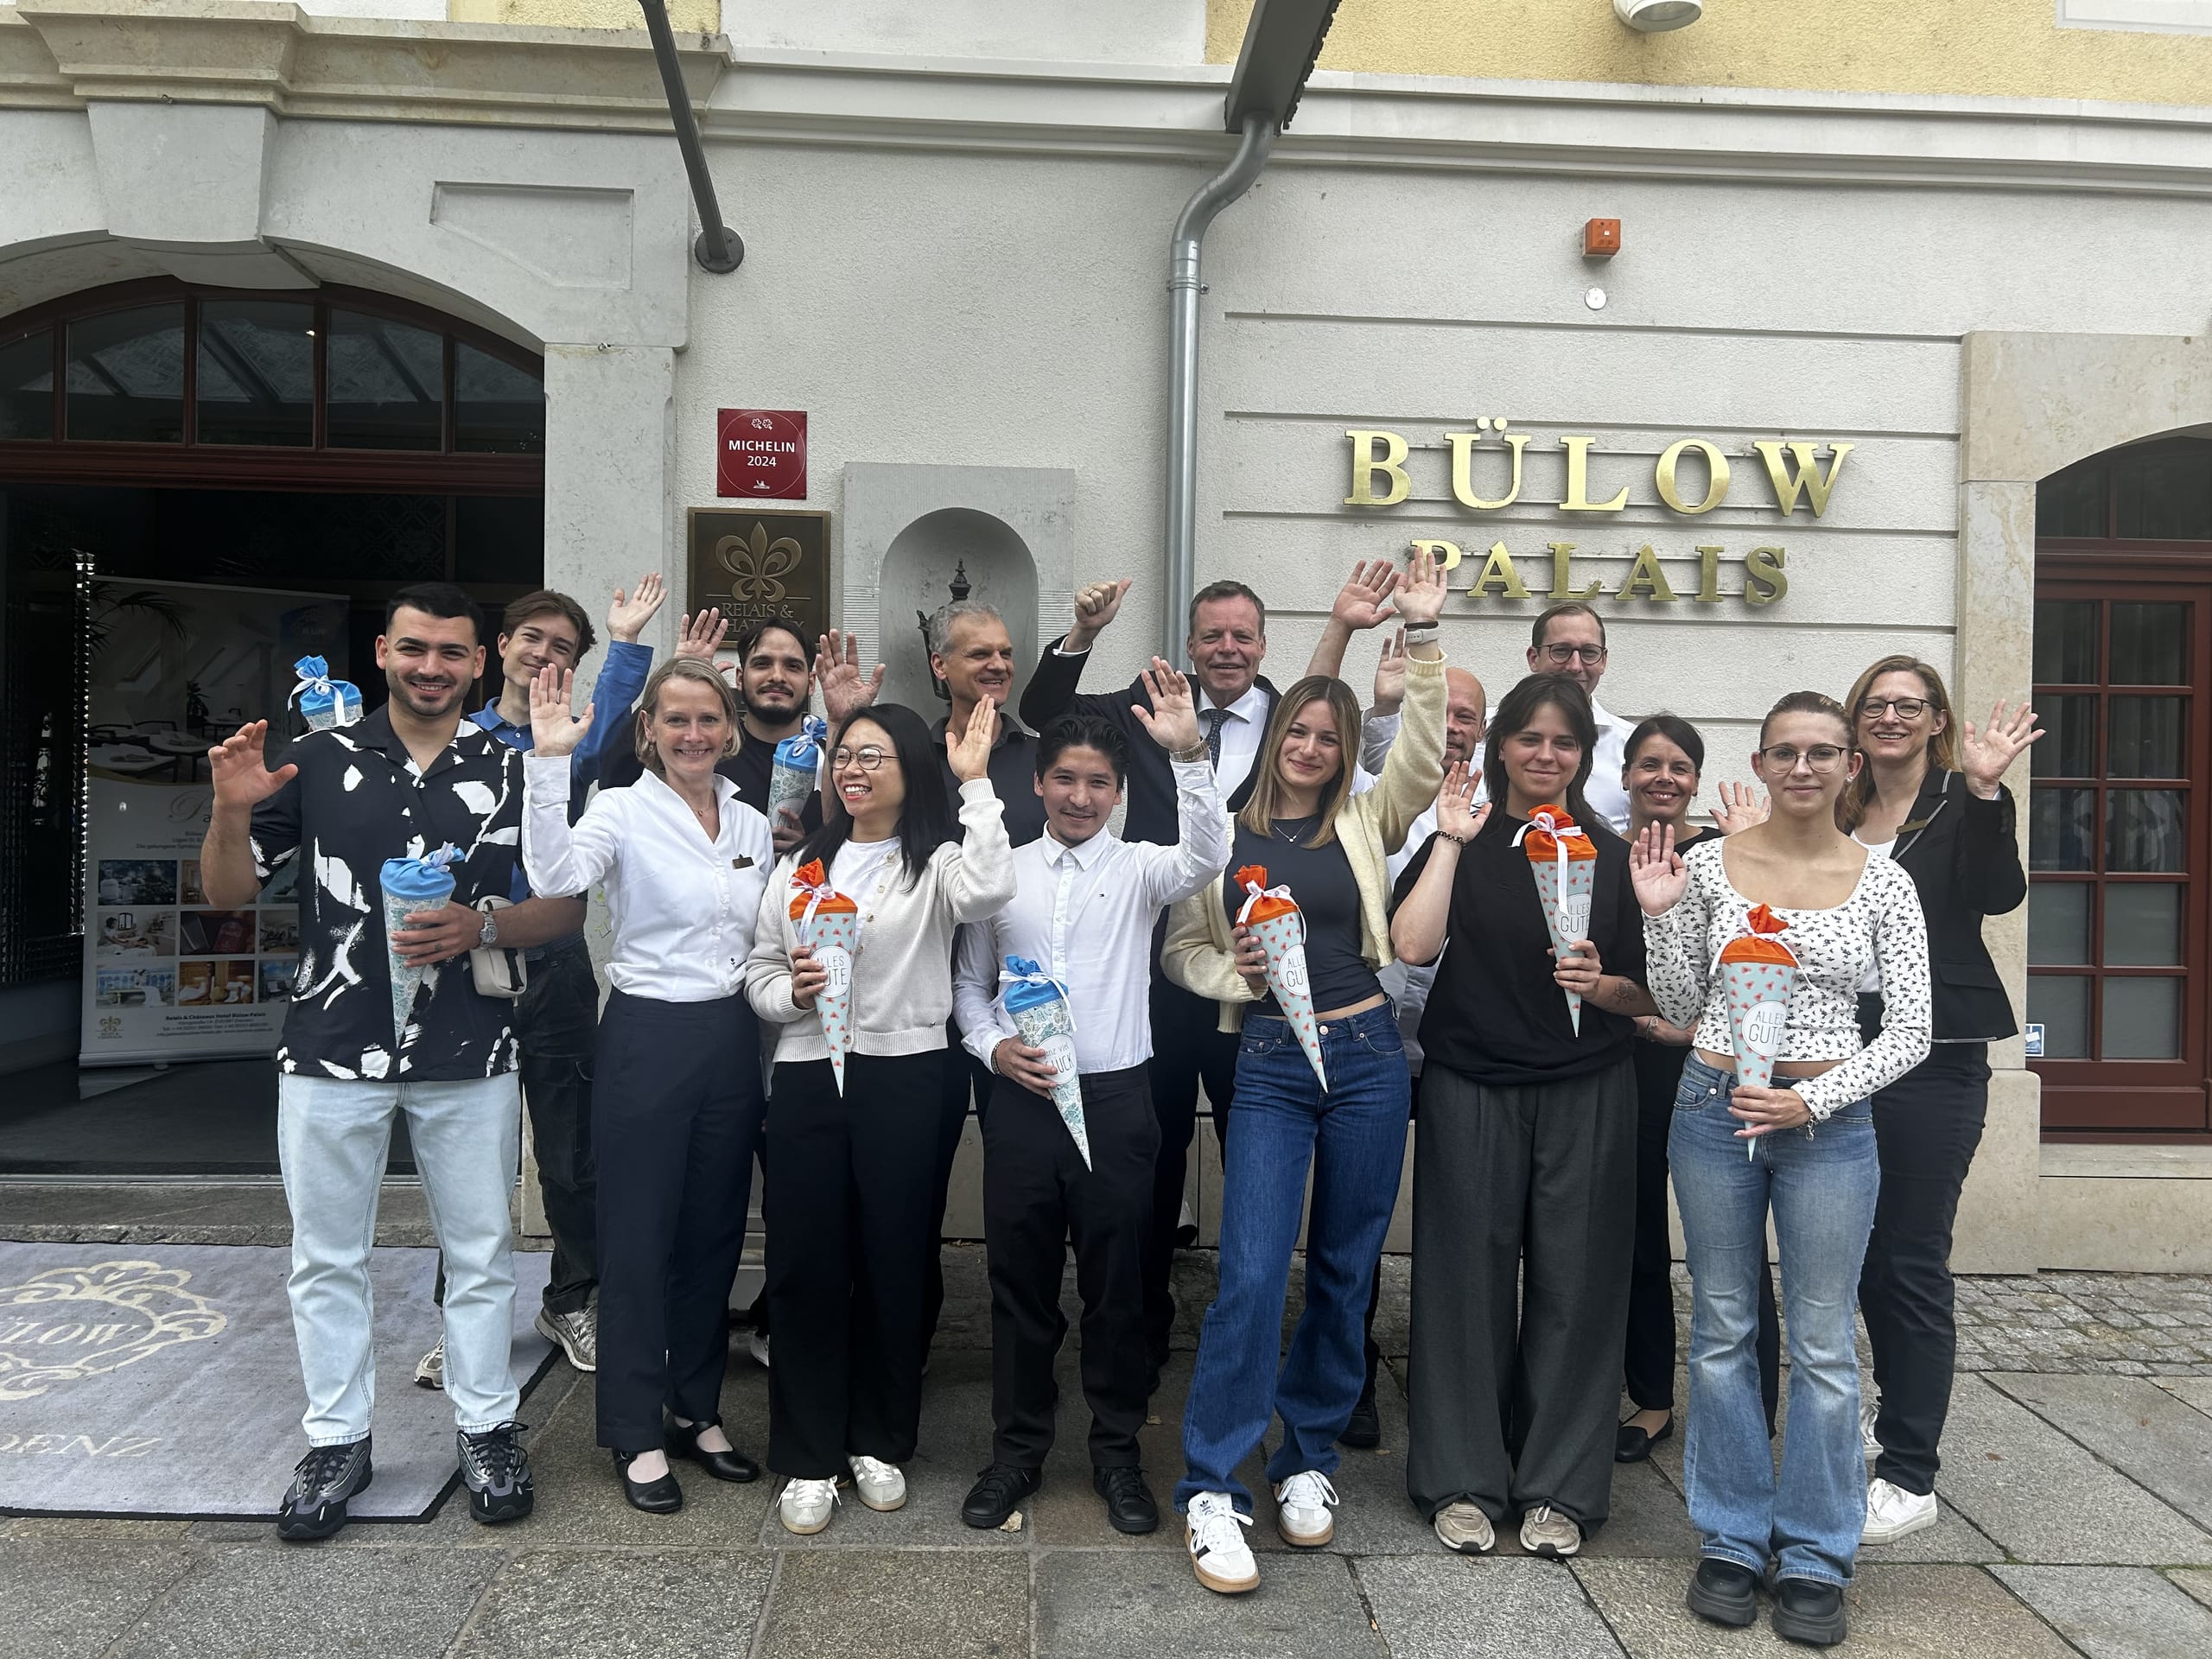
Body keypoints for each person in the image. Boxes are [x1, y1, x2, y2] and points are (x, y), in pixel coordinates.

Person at [200, 582, 586, 1541]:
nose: (430, 668)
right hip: (330, 1046)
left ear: (479, 661)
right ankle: (338, 1439)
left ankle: (488, 1426)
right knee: (327, 1257)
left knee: (483, 1252)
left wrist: (481, 922)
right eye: (414, 648)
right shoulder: (318, 758)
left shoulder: (513, 765)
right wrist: (230, 812)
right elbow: (227, 897)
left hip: (472, 1047)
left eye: (450, 653)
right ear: (381, 651)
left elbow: (566, 906)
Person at [1019, 562, 1404, 1392]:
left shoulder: (1289, 723)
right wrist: (1082, 634)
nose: (1226, 649)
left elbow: (1325, 714)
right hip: (1159, 974)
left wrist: (1340, 628)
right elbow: (1044, 717)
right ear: (1189, 646)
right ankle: (1146, 1338)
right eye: (1211, 636)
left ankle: (1343, 1363)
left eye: (1242, 636)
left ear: (1263, 646)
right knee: (1150, 1165)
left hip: (1270, 995)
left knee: (1272, 1176)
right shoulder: (1149, 707)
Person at [1161, 549, 1448, 1597]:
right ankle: (1211, 1481)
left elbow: (1418, 752)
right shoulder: (1226, 839)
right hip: (1272, 1062)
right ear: (1277, 737)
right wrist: (1221, 968)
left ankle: (1309, 1458)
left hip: (1370, 1057)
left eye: (1331, 740)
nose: (1314, 749)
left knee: (1346, 1266)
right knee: (1247, 1272)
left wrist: (1421, 637)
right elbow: (1179, 950)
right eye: (1302, 733)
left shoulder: (1368, 822)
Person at [1633, 690, 1931, 1648]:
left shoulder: (1882, 882)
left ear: (1851, 765)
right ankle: (1729, 1536)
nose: (1802, 768)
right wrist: (1659, 915)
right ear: (1758, 766)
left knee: (1823, 1344)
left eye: (1821, 752)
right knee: (1722, 1327)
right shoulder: (1711, 863)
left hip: (1826, 1128)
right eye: (1783, 753)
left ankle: (1812, 1551)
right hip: (1713, 1108)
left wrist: (1815, 1099)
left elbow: (1915, 1032)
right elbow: (1680, 999)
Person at [950, 667, 1229, 1534]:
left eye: (1097, 782)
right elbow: (968, 984)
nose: (1078, 795)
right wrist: (991, 1046)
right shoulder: (1000, 874)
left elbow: (1208, 855)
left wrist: (1186, 755)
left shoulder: (1145, 869)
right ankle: (1017, 1452)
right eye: (1064, 778)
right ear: (1037, 784)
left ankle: (1116, 1455)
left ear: (1116, 792)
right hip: (1023, 1100)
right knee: (1020, 1283)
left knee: (1116, 1287)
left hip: (1115, 1101)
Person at [1389, 674, 1654, 1563]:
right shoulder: (1464, 836)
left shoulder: (1612, 857)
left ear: (1583, 756)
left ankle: (1558, 1488)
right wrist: (1451, 841)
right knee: (1462, 1283)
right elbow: (1414, 946)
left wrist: (1601, 984)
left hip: (1588, 1086)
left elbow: (1652, 994)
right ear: (1499, 744)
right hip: (1471, 1082)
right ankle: (1460, 1478)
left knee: (1577, 1290)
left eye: (1564, 743)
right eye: (1530, 739)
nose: (1546, 755)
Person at [744, 699, 1016, 1536]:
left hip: (908, 1076)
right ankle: (808, 1452)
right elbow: (755, 972)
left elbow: (991, 889)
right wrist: (789, 991)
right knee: (805, 1264)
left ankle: (879, 1438)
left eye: (874, 757)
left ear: (909, 771)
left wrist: (975, 785)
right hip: (804, 1078)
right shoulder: (801, 868)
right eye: (845, 757)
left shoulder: (934, 862)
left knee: (895, 1261)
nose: (854, 771)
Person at [520, 657, 772, 1511]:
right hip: (647, 1036)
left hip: (734, 1035)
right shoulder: (620, 809)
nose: (694, 735)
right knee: (637, 1239)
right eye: (676, 721)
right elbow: (554, 879)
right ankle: (633, 1429)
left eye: (708, 720)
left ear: (728, 729)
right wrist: (550, 761)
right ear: (649, 731)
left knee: (711, 1237)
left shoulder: (749, 820)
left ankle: (697, 1411)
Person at [410, 575, 669, 1394]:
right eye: (534, 639)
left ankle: (574, 1297)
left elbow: (612, 720)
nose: (545, 654)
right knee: (467, 1155)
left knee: (571, 1148)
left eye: (564, 646)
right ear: (502, 648)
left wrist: (628, 641)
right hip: (456, 963)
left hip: (549, 962)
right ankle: (467, 1320)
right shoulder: (451, 737)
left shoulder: (577, 741)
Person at [1841, 656, 2037, 1546]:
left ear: (1935, 721)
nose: (1889, 717)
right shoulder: (1838, 806)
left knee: (1908, 1256)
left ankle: (1910, 1472)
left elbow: (1998, 894)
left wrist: (1991, 795)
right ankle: (1868, 1421)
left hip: (1934, 1053)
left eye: (1906, 706)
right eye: (1875, 705)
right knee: (1845, 1252)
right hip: (1834, 1051)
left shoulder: (1965, 798)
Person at [1614, 715, 1783, 1465]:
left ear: (1696, 780)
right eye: (1648, 764)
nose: (1663, 778)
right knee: (1640, 1234)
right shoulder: (1591, 855)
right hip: (1631, 1072)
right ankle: (1650, 1396)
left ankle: (1759, 1406)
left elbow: (1766, 958)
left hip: (1718, 1071)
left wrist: (1690, 1028)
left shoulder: (1727, 857)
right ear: (1624, 776)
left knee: (1738, 1247)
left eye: (1679, 767)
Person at [1345, 662, 1486, 1452]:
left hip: (1457, 1054)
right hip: (1369, 1047)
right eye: (1445, 713)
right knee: (1358, 1220)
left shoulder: (1495, 820)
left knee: (1464, 1219)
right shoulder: (1376, 804)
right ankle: (1353, 1374)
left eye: (1467, 715)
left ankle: (1449, 1378)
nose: (1454, 726)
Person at [922, 598, 1046, 1359]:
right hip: (921, 1002)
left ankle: (1018, 1354)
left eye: (1004, 652)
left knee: (1017, 1190)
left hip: (1013, 1006)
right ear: (941, 666)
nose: (998, 665)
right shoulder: (910, 750)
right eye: (978, 655)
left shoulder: (1036, 755)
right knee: (918, 1179)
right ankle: (912, 1337)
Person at [1523, 602, 1632, 835]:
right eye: (1561, 651)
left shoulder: (1631, 744)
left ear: (1603, 660)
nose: (1575, 666)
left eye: (1589, 653)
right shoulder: (1486, 731)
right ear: (1534, 658)